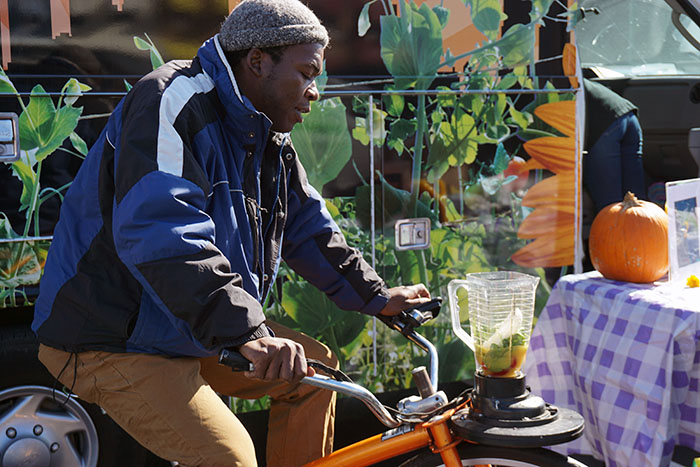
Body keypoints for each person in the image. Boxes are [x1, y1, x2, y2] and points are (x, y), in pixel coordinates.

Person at [31, 1, 431, 466]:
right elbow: (164, 231)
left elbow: (305, 224)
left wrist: (377, 296)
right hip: (111, 334)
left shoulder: (263, 132)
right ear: (258, 61)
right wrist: (247, 332)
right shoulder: (173, 100)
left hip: (182, 325)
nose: (314, 91)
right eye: (306, 72)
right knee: (229, 457)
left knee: (317, 378)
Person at [582, 77, 647, 214]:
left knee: (610, 205)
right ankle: (643, 233)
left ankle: (616, 234)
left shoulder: (534, 82)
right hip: (627, 114)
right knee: (636, 200)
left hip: (603, 125)